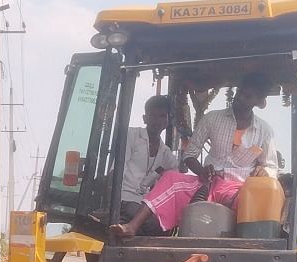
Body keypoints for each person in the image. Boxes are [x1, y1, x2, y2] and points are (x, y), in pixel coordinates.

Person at [112, 72, 278, 237]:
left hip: (238, 189)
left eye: (247, 96)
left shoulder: (265, 131)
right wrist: (201, 171)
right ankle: (132, 227)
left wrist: (265, 172)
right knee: (171, 177)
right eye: (239, 92)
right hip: (206, 183)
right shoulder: (212, 118)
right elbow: (189, 155)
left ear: (259, 102)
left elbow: (271, 167)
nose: (240, 98)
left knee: (253, 202)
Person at [115, 95, 178, 236]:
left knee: (166, 227)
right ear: (145, 118)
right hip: (123, 197)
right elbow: (118, 170)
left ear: (168, 120)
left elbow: (174, 176)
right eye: (153, 116)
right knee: (153, 224)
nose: (158, 121)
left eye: (162, 116)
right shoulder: (131, 135)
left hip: (143, 203)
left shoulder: (165, 152)